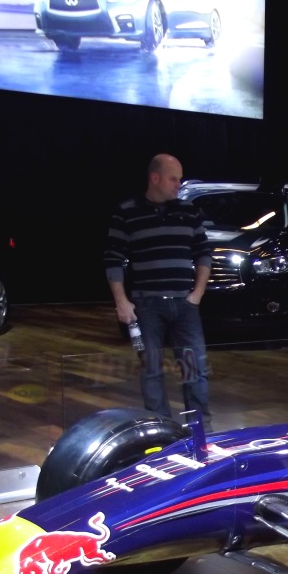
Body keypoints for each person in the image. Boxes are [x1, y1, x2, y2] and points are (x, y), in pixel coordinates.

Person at [104, 153, 213, 423]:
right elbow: (113, 259)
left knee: (194, 369)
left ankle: (199, 428)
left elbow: (203, 254)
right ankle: (161, 429)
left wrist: (197, 295)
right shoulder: (127, 211)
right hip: (146, 306)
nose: (179, 185)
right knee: (151, 369)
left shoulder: (189, 212)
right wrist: (121, 302)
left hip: (184, 306)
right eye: (173, 179)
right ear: (155, 178)